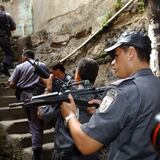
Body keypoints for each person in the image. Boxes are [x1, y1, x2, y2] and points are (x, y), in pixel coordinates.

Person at [60, 31, 160, 160]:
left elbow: (86, 144)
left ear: (131, 52)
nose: (112, 62)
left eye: (116, 55)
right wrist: (111, 109)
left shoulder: (124, 92)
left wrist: (70, 116)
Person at [50, 58, 102, 160]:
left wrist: (47, 88)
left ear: (77, 75)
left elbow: (44, 113)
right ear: (95, 76)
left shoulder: (66, 96)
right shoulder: (101, 99)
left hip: (67, 153)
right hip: (92, 152)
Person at [8, 50, 48, 160]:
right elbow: (48, 79)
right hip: (42, 95)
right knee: (38, 121)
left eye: (22, 56)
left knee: (34, 124)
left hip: (27, 97)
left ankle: (36, 152)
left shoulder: (20, 67)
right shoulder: (43, 65)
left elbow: (12, 83)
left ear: (25, 56)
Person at [0, 4, 16, 76]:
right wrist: (7, 30)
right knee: (9, 54)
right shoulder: (6, 15)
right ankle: (4, 67)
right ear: (3, 9)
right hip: (4, 37)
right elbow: (13, 27)